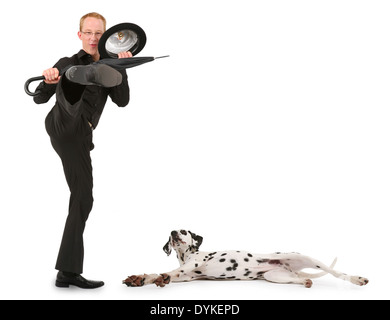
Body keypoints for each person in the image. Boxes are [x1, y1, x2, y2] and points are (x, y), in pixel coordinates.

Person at [34, 12, 132, 289]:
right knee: (69, 91)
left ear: (106, 37)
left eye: (98, 33)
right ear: (80, 35)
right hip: (62, 121)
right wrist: (49, 81)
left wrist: (121, 71)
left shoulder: (111, 67)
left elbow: (122, 101)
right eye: (88, 33)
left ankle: (67, 271)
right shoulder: (66, 62)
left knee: (83, 197)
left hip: (79, 135)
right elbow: (40, 98)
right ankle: (73, 86)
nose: (93, 38)